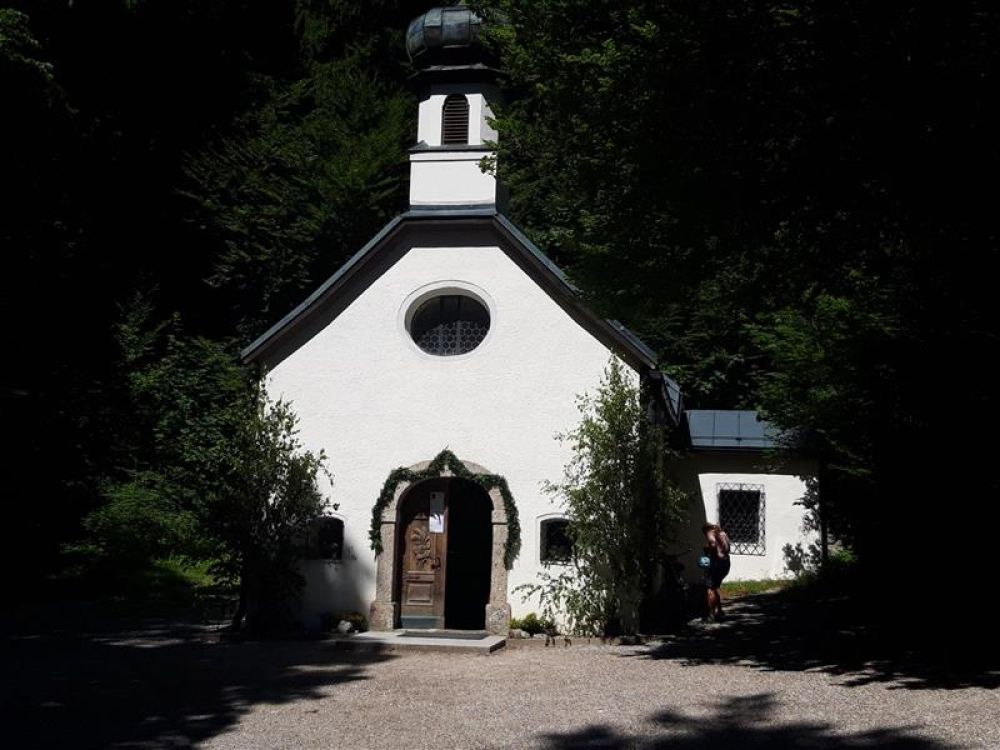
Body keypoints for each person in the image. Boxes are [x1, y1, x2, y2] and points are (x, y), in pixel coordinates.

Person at [702, 522, 731, 621]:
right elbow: (728, 549)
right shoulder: (723, 534)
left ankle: (711, 615)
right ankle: (720, 611)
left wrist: (708, 550)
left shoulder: (710, 534)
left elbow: (713, 545)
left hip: (717, 563)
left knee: (710, 589)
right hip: (726, 563)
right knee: (715, 586)